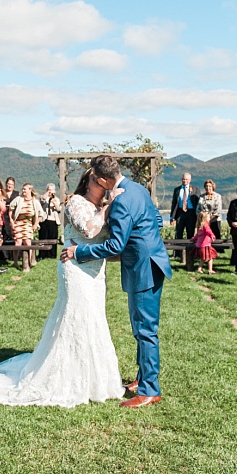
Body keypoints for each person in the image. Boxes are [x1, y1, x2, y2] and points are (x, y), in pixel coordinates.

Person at [0, 169, 124, 407]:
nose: (106, 183)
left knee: (94, 319)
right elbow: (88, 230)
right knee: (76, 317)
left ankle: (92, 380)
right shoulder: (75, 202)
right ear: (90, 181)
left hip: (96, 271)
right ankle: (65, 378)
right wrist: (108, 208)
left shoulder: (106, 205)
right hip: (75, 270)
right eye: (101, 179)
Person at [61, 154, 172, 409]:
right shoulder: (138, 188)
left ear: (102, 179)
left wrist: (79, 252)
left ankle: (149, 390)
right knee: (140, 327)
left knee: (145, 330)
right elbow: (156, 220)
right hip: (148, 262)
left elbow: (116, 244)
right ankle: (144, 377)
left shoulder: (120, 201)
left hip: (144, 267)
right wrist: (146, 238)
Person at [7, 184, 43, 272]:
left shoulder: (35, 202)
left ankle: (28, 262)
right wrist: (11, 221)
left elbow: (40, 214)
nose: (23, 191)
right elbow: (10, 209)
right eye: (22, 189)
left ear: (30, 190)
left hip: (28, 224)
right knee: (18, 243)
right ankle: (15, 262)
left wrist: (35, 224)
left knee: (27, 242)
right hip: (18, 223)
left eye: (25, 189)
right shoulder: (18, 199)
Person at [169, 172, 200, 257]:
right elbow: (174, 203)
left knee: (190, 233)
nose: (184, 181)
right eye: (183, 179)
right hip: (180, 212)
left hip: (191, 213)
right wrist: (172, 217)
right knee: (178, 233)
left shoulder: (195, 189)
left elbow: (197, 202)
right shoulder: (177, 190)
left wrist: (191, 193)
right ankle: (177, 253)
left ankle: (190, 253)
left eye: (186, 179)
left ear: (190, 180)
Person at [37, 183, 62, 260]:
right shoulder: (44, 197)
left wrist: (55, 204)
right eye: (49, 189)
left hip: (53, 220)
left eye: (52, 190)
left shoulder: (56, 199)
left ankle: (52, 254)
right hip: (44, 219)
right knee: (43, 237)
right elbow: (41, 200)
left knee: (52, 237)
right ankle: (42, 254)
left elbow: (59, 209)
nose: (51, 191)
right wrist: (47, 194)